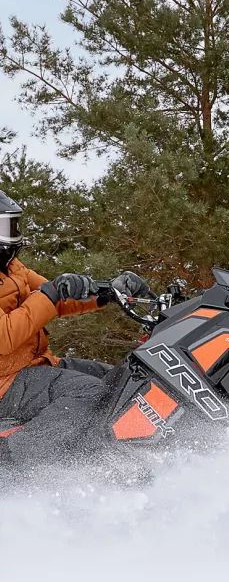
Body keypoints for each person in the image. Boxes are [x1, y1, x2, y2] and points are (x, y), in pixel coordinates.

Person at [0, 188, 151, 465]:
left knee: (123, 379)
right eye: (6, 226)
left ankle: (111, 455)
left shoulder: (12, 268)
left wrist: (108, 291)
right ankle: (16, 464)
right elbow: (4, 336)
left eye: (14, 224)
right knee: (88, 392)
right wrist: (51, 293)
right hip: (5, 384)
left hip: (34, 366)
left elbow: (57, 297)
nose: (14, 235)